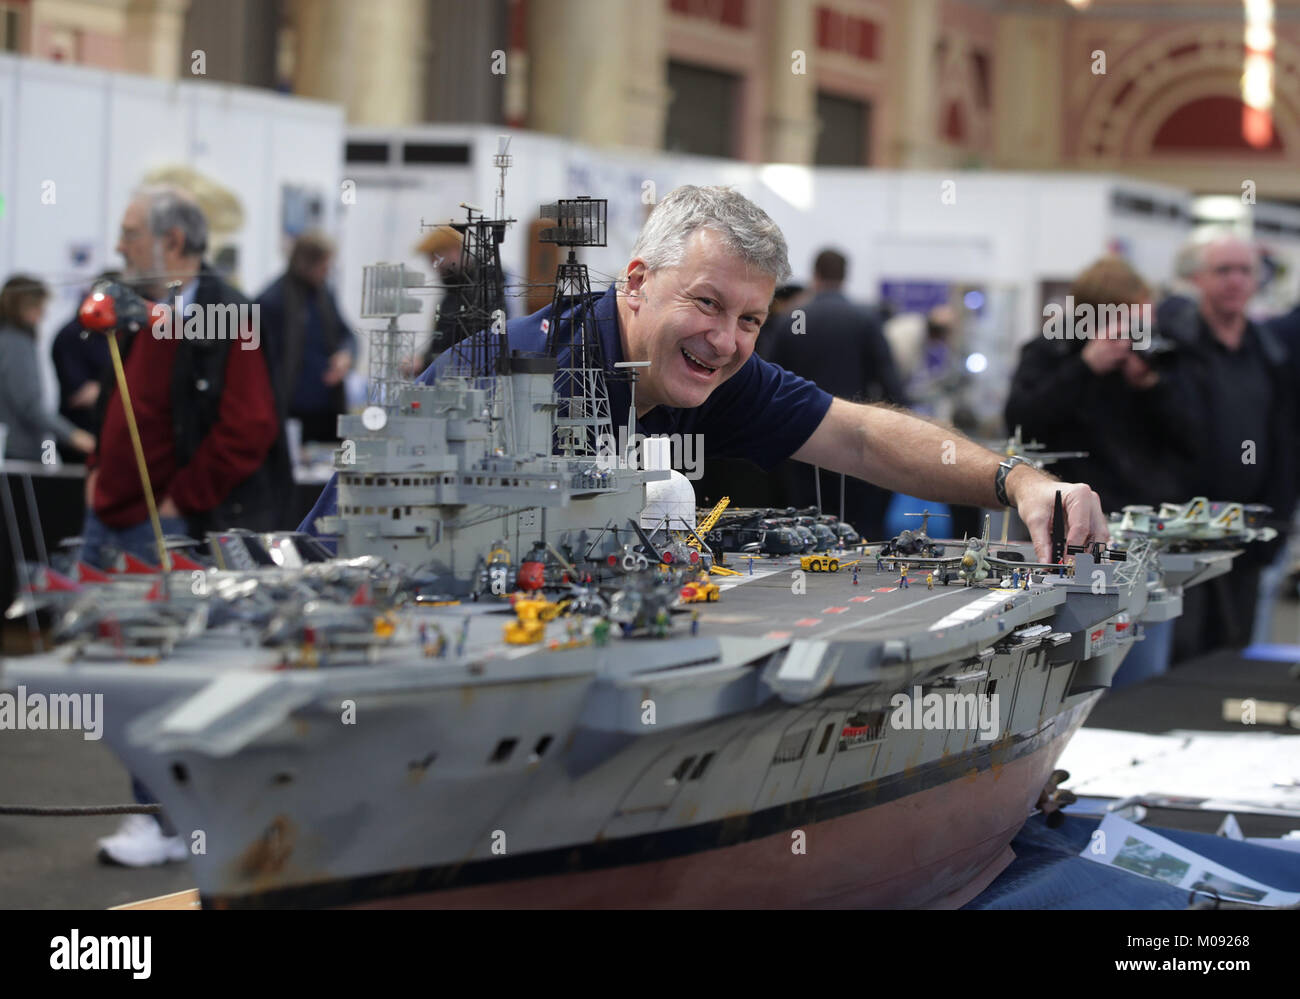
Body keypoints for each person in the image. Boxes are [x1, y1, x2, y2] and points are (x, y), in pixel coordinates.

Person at [301, 186, 1108, 568]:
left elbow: (861, 435)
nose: (725, 341)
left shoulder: (716, 374)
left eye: (751, 319)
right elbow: (345, 541)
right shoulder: (505, 374)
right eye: (707, 303)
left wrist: (1016, 481)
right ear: (637, 281)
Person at [80, 185, 289, 575]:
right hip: (105, 518)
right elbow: (114, 401)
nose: (120, 247)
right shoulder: (135, 310)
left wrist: (182, 500)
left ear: (172, 241)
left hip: (169, 526)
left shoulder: (231, 317)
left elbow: (250, 427)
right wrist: (96, 469)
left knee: (154, 632)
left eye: (130, 234)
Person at [1157, 234, 1298, 659]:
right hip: (1182, 533)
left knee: (1232, 652)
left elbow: (1286, 441)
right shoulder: (1174, 347)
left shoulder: (1270, 351)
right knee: (1180, 653)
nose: (1235, 281)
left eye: (1244, 271)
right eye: (1223, 270)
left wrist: (1278, 518)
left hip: (1249, 531)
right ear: (1197, 278)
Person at [1005, 256, 1200, 512]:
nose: (1132, 334)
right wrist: (1084, 368)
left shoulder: (1155, 357)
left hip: (1147, 509)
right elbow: (1020, 423)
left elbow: (1192, 437)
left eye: (1140, 324)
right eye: (1125, 324)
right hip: (1070, 506)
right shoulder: (1052, 351)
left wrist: (1149, 386)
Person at [760, 248, 907, 541]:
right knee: (859, 526)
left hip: (800, 436)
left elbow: (766, 377)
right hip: (854, 436)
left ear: (815, 275)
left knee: (805, 526)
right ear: (845, 275)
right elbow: (891, 384)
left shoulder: (793, 319)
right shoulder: (865, 319)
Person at [255, 233, 356, 443]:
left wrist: (346, 354)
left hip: (328, 409)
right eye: (323, 267)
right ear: (306, 263)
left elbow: (346, 334)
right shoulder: (271, 301)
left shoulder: (324, 295)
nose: (327, 273)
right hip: (290, 411)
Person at [0, 275, 95, 461]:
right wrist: (73, 435)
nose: (43, 314)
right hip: (20, 451)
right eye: (39, 307)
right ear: (23, 307)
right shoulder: (15, 343)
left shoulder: (10, 339)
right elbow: (30, 405)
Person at [50, 270, 123, 457]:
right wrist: (119, 387)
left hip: (112, 435)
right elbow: (80, 395)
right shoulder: (72, 335)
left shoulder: (115, 333)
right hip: (80, 439)